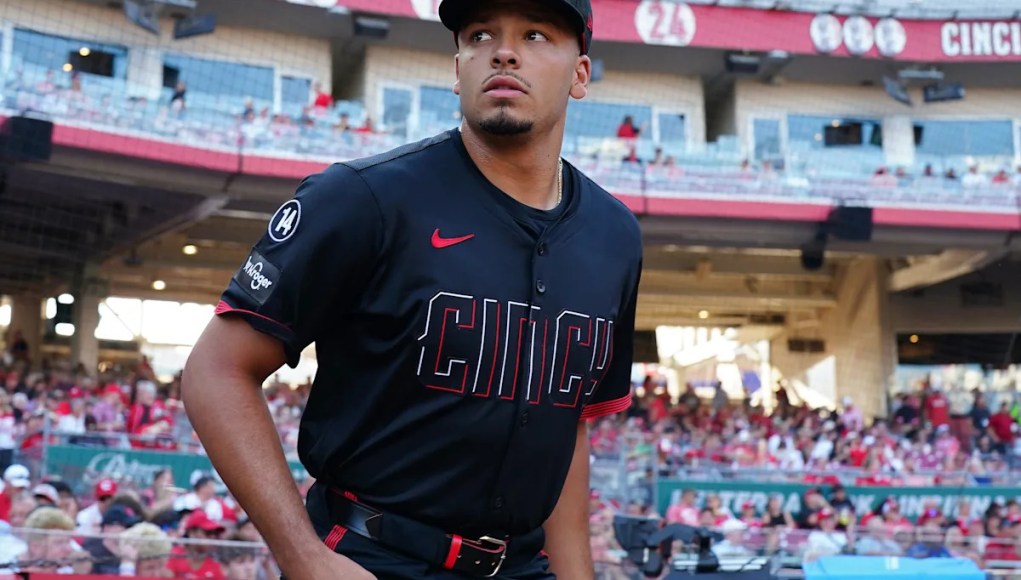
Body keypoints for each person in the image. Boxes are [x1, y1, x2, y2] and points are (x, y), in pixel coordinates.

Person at [181, 0, 642, 578]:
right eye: (479, 35)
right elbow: (216, 370)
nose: (503, 51)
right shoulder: (362, 197)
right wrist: (303, 557)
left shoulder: (616, 235)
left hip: (523, 564)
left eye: (535, 34)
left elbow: (566, 423)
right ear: (457, 69)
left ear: (580, 74)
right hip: (370, 556)